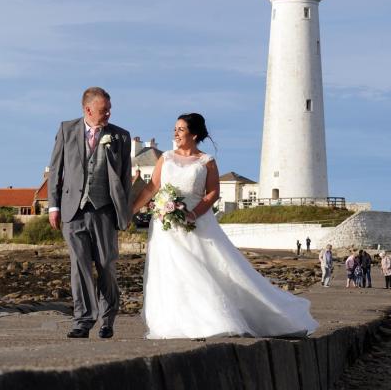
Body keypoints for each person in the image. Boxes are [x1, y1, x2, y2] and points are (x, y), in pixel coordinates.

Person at [132, 113, 318, 339]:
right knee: (172, 271)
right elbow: (151, 188)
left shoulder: (206, 161)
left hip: (196, 222)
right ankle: (176, 321)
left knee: (217, 268)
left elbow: (213, 193)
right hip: (165, 226)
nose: (175, 133)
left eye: (180, 129)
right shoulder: (166, 158)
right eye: (175, 129)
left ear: (194, 134)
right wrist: (130, 211)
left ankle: (226, 320)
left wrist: (193, 213)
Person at [47, 87, 132, 339]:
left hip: (105, 210)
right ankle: (82, 321)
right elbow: (56, 170)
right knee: (79, 265)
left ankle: (107, 319)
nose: (108, 113)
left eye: (109, 109)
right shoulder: (66, 129)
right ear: (87, 109)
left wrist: (124, 213)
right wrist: (53, 206)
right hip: (72, 210)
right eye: (103, 109)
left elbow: (126, 178)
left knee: (106, 264)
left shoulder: (120, 137)